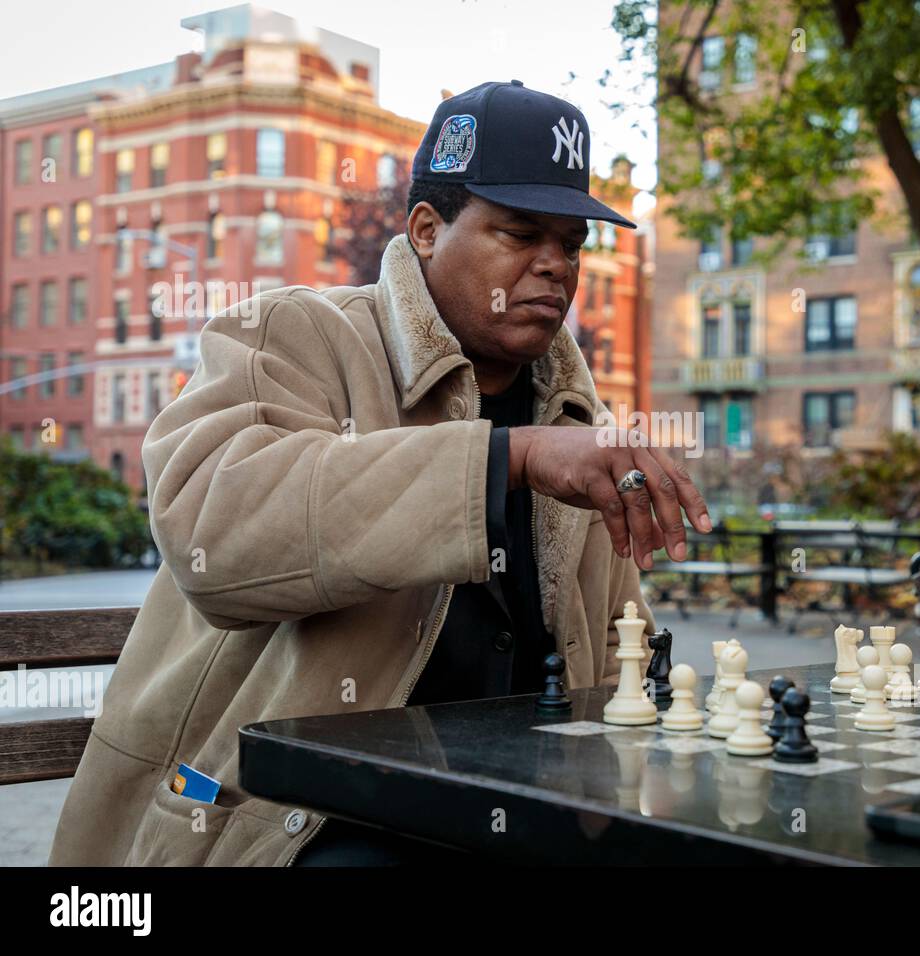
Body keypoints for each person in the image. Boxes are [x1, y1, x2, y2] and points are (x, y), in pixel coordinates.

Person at [48, 81, 708, 867]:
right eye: (521, 232)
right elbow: (215, 536)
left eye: (571, 243)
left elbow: (610, 640)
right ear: (426, 230)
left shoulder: (573, 414)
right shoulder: (291, 334)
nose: (555, 267)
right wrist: (508, 458)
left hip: (513, 818)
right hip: (301, 823)